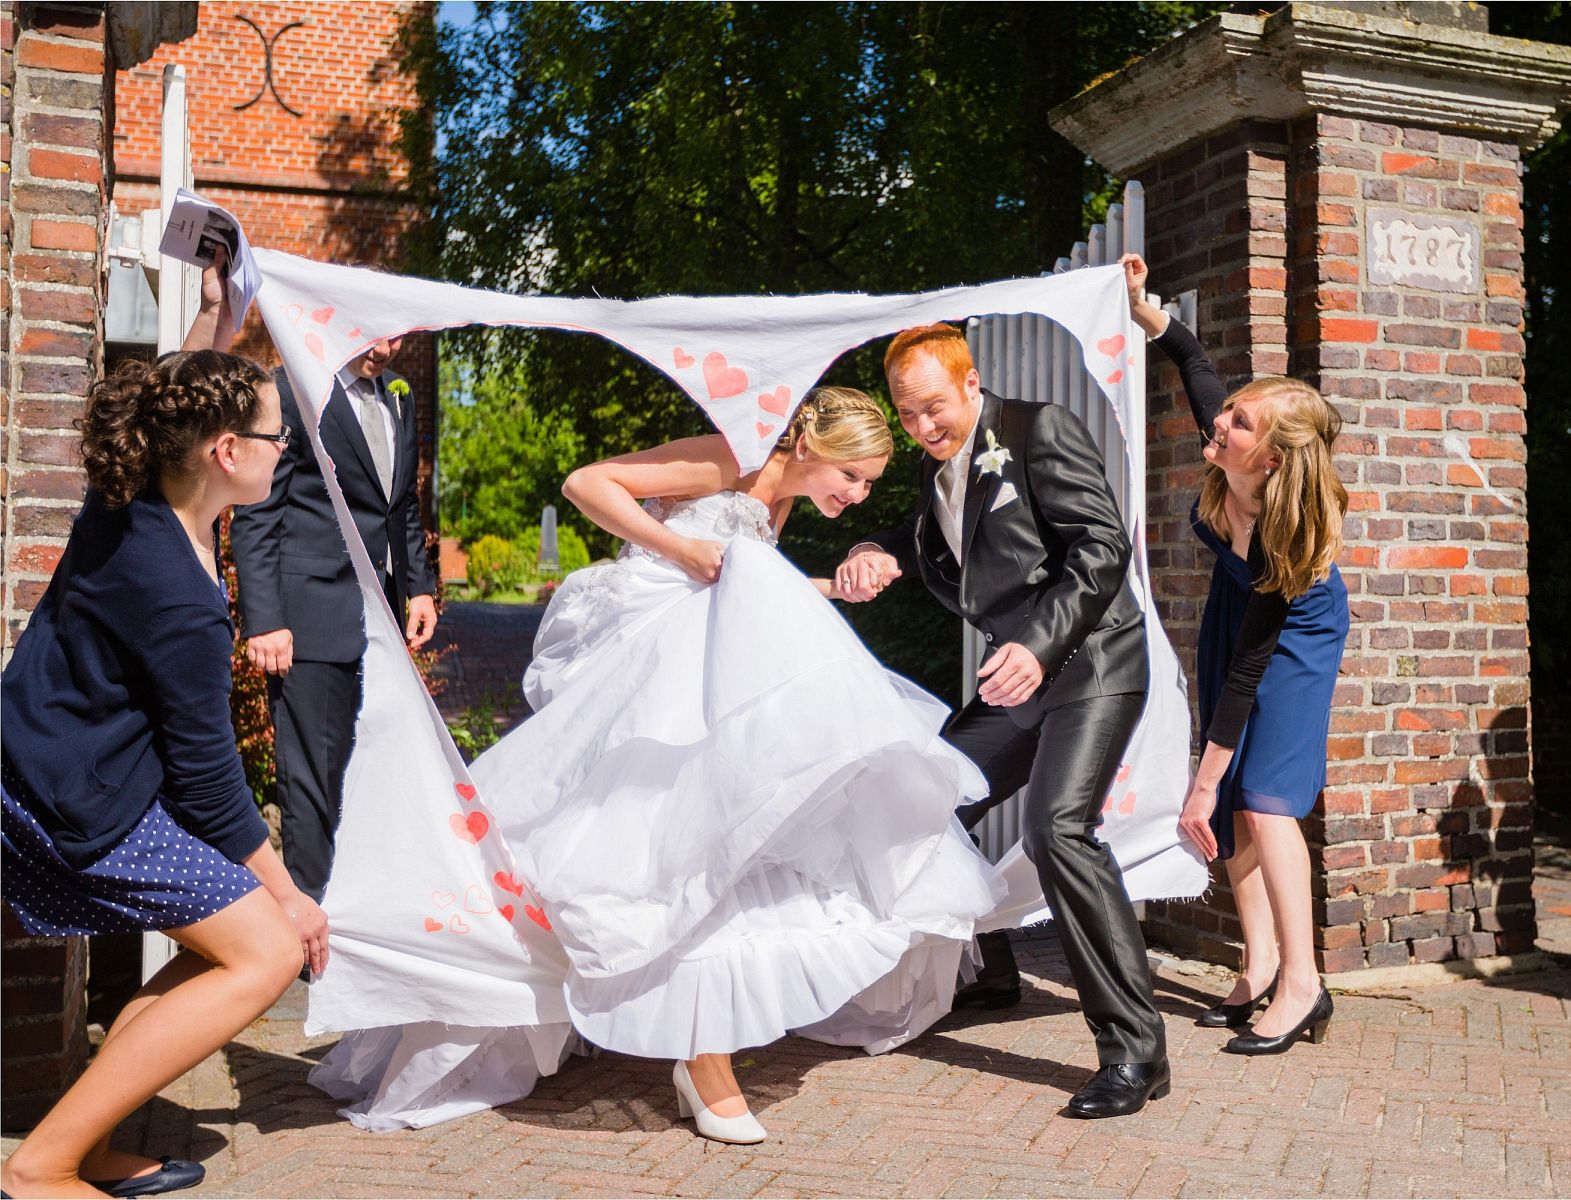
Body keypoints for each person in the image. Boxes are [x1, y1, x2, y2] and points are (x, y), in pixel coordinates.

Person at [312, 387, 1002, 1143]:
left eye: (869, 484)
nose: (860, 494)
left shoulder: (781, 501)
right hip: (662, 668)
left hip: (719, 668)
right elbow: (588, 484)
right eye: (857, 477)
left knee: (736, 837)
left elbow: (743, 577)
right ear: (811, 449)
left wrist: (829, 587)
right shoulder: (732, 457)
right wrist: (682, 549)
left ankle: (705, 1046)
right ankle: (695, 1055)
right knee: (651, 843)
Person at [0, 254, 330, 1199]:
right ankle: (41, 1168)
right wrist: (291, 893)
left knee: (223, 940)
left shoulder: (134, 500)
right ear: (226, 452)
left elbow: (165, 408)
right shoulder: (182, 601)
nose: (285, 449)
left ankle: (84, 1139)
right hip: (77, 796)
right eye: (274, 436)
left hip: (40, 759)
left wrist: (217, 323)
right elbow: (209, 782)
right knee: (265, 948)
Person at [833, 323, 1168, 1119]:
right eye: (907, 415)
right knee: (928, 798)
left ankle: (1135, 1052)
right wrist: (878, 546)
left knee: (1059, 831)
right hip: (1013, 684)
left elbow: (1099, 547)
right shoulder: (933, 467)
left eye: (934, 409)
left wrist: (1039, 644)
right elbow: (939, 544)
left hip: (1091, 665)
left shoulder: (1036, 430)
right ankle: (989, 968)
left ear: (972, 383)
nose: (921, 429)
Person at [1123, 252, 1351, 1055]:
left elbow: (1251, 673)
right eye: (1232, 414)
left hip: (1297, 628)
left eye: (1241, 424)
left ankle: (1304, 982)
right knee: (1235, 805)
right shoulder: (1237, 449)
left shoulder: (1292, 536)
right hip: (1236, 604)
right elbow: (1192, 356)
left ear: (1274, 459)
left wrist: (1200, 776)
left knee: (1264, 797)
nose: (1221, 424)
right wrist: (1145, 310)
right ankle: (1258, 968)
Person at [229, 334, 438, 902]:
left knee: (366, 771)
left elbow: (401, 505)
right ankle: (312, 930)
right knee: (313, 783)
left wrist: (418, 587)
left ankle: (356, 913)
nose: (387, 347)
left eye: (397, 335)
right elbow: (255, 511)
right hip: (309, 621)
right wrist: (265, 619)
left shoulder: (399, 397)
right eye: (375, 334)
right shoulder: (291, 392)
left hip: (383, 621)